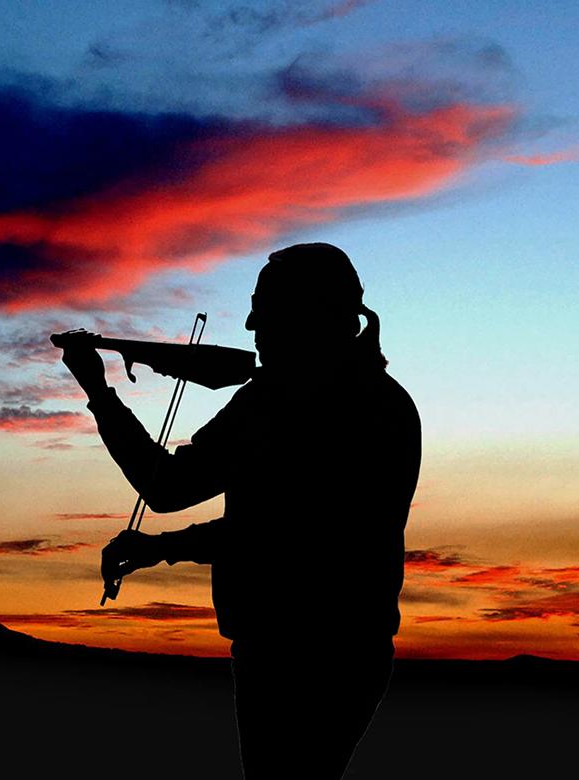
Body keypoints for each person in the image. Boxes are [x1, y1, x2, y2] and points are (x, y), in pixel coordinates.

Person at [58, 243, 421, 779]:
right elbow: (276, 529)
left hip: (288, 660)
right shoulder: (388, 402)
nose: (251, 323)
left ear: (307, 314)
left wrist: (100, 394)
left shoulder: (275, 403)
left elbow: (169, 488)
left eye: (264, 308)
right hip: (352, 654)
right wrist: (160, 549)